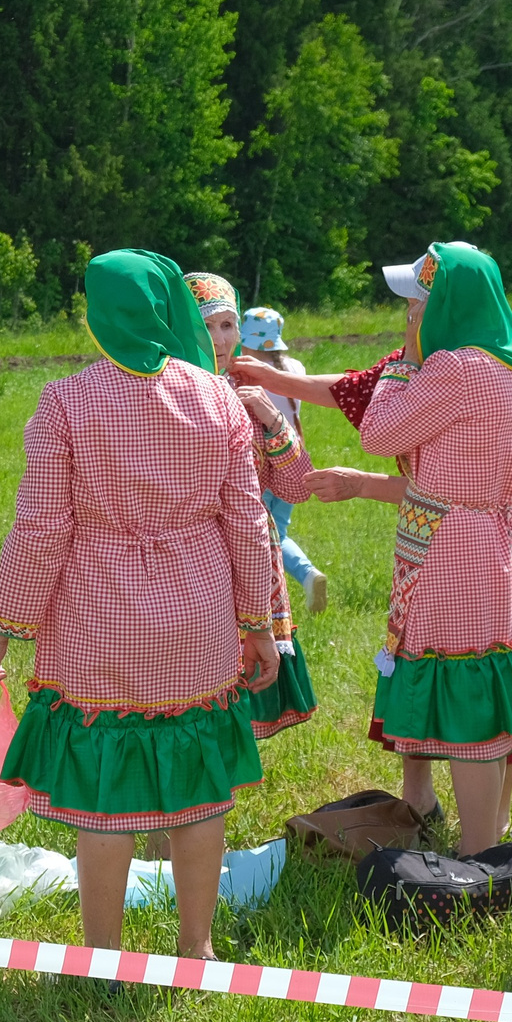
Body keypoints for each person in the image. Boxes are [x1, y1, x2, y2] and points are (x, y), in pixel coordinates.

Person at [0, 251, 280, 960]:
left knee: (106, 797)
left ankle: (102, 954)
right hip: (198, 613)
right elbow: (246, 520)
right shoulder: (215, 396)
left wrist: (3, 632)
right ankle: (196, 946)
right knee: (201, 788)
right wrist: (257, 623)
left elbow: (43, 529)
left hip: (98, 618)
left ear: (97, 315)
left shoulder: (65, 401)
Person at [340, 244, 512, 853]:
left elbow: (379, 433)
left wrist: (402, 364)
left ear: (443, 304)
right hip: (502, 532)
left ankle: (478, 857)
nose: (410, 312)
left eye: (418, 300)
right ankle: (491, 833)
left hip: (451, 545)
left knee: (467, 697)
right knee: (490, 685)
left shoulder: (454, 370)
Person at [187, 276, 318, 741]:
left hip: (251, 547)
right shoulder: (167, 393)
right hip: (193, 552)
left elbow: (298, 485)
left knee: (246, 666)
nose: (220, 340)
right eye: (206, 326)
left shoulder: (250, 387)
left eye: (227, 325)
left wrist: (272, 416)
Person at [238, 306, 327, 615]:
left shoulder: (242, 376)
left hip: (261, 466)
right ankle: (308, 574)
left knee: (259, 534)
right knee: (281, 530)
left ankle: (266, 596)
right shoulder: (295, 367)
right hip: (292, 460)